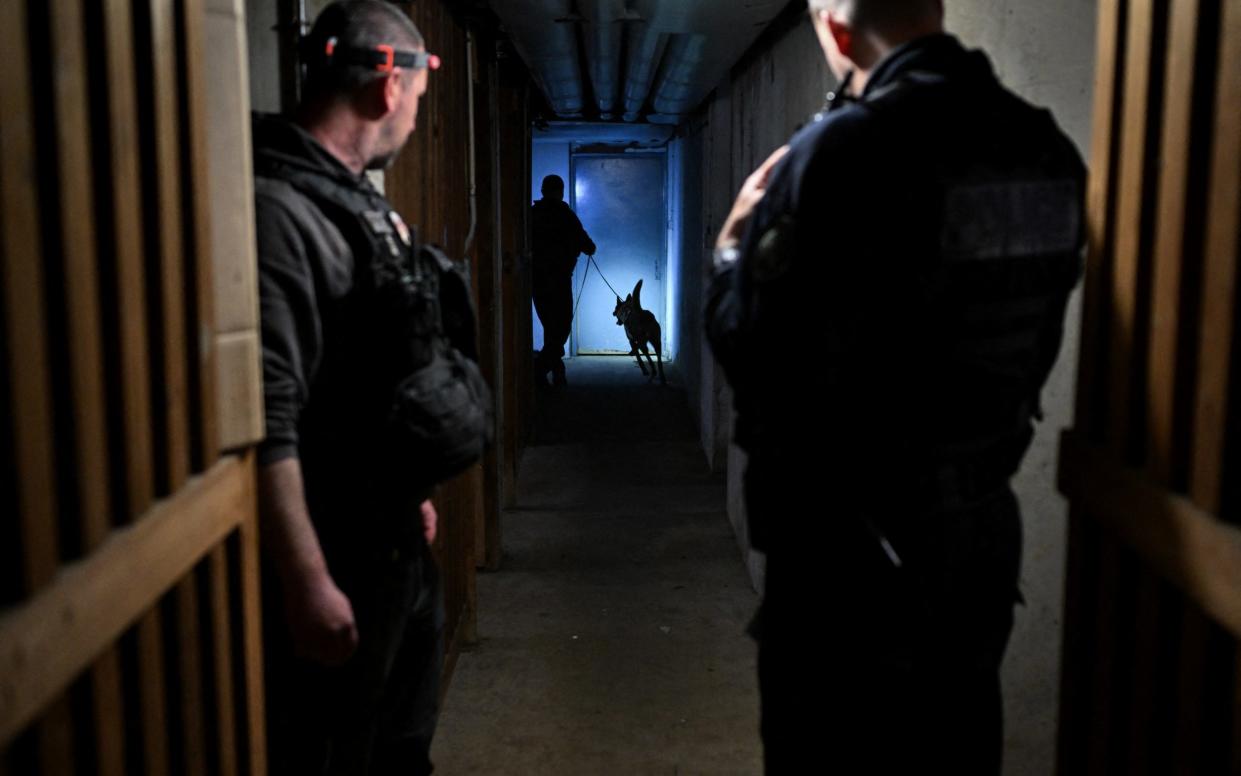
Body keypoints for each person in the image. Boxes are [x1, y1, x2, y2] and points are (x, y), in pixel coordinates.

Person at [705, 0, 1085, 772]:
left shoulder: (842, 151)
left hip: (845, 557)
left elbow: (759, 352)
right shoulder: (1043, 145)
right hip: (976, 535)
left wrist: (727, 256)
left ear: (836, 31)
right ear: (937, 9)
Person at [252, 2, 453, 773]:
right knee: (342, 750)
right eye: (417, 100)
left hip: (393, 533)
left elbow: (372, 364)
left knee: (402, 747)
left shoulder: (352, 198)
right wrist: (306, 582)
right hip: (338, 555)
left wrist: (413, 489)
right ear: (386, 87)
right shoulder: (282, 213)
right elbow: (269, 416)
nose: (412, 121)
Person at [532, 174, 596, 386]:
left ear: (542, 191)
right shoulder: (565, 215)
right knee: (561, 329)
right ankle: (540, 368)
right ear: (560, 192)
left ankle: (555, 370)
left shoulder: (533, 215)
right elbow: (588, 245)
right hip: (559, 281)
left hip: (537, 282)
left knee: (551, 328)